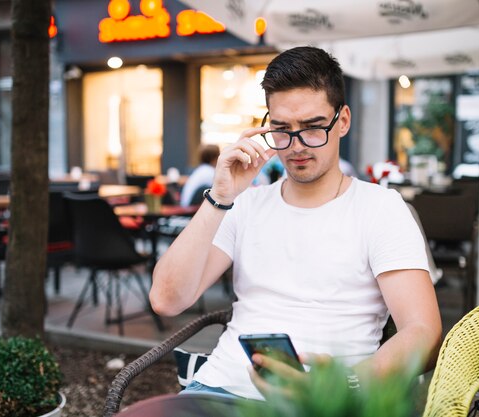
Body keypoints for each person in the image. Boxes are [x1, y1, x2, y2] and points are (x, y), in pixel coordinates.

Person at [150, 46, 442, 400]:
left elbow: (423, 331)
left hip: (325, 399)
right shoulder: (242, 205)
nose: (295, 146)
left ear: (343, 121)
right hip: (217, 390)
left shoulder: (381, 208)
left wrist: (340, 384)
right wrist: (220, 197)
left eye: (313, 127)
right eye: (281, 129)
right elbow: (167, 300)